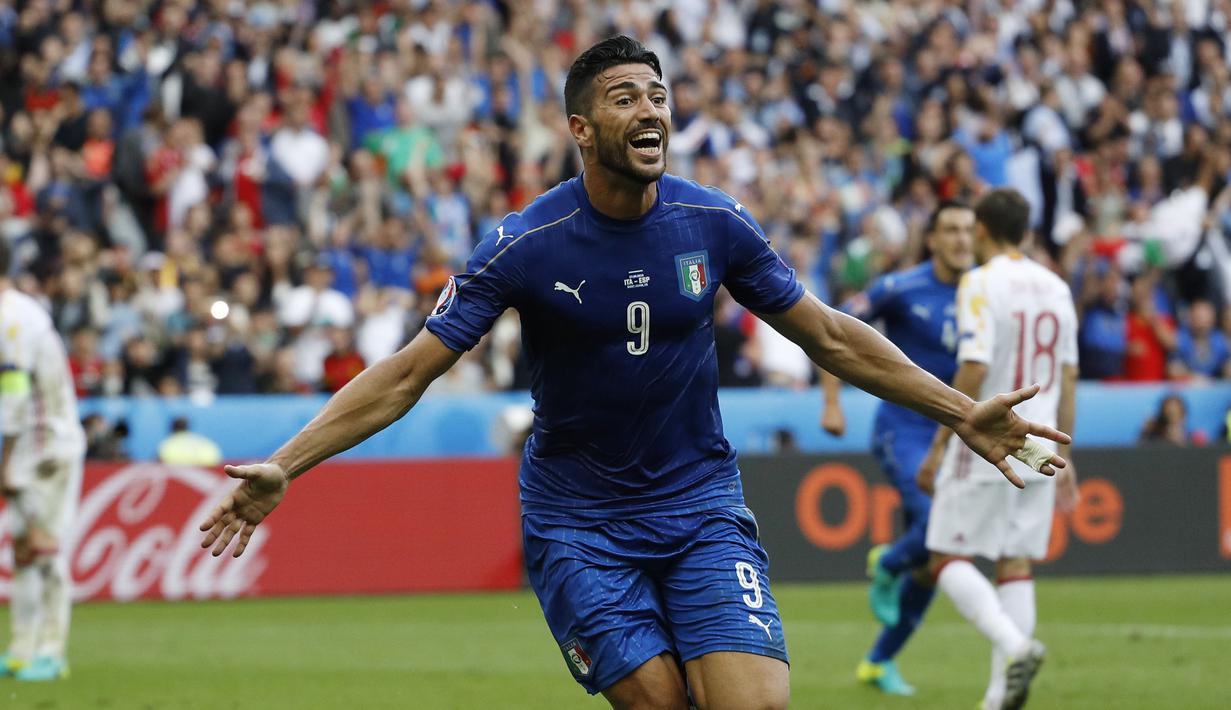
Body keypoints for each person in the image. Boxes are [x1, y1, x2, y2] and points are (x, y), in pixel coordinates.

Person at [199, 37, 1069, 709]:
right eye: (624, 98)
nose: (650, 109)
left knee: (756, 700)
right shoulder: (522, 244)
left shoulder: (714, 221)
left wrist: (960, 410)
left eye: (658, 95)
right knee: (656, 702)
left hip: (698, 505)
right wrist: (290, 460)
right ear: (580, 128)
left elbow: (830, 337)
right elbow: (407, 373)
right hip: (578, 521)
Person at [918, 189, 1080, 710]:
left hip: (993, 433)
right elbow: (1071, 375)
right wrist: (1068, 450)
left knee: (946, 555)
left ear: (983, 229)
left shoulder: (981, 282)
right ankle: (997, 699)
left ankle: (1018, 646)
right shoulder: (1056, 287)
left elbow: (975, 364)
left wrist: (947, 434)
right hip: (1045, 436)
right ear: (1027, 231)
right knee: (1016, 564)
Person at [820, 201, 975, 695]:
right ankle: (885, 563)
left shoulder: (985, 293)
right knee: (937, 527)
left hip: (953, 436)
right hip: (903, 429)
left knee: (934, 561)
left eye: (968, 230)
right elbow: (830, 331)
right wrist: (831, 402)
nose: (960, 239)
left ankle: (878, 663)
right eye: (950, 229)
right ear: (931, 238)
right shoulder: (900, 287)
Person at [0, 242, 87, 682]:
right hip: (32, 450)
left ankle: (52, 654)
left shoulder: (11, 321)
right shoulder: (21, 312)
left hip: (47, 450)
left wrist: (6, 463)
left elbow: (14, 401)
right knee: (23, 549)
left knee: (45, 549)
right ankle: (20, 648)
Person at [157, 416, 223, 467]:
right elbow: (216, 460)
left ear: (172, 428)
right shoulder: (204, 443)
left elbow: (158, 463)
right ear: (187, 427)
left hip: (176, 479)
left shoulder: (167, 444)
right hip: (205, 478)